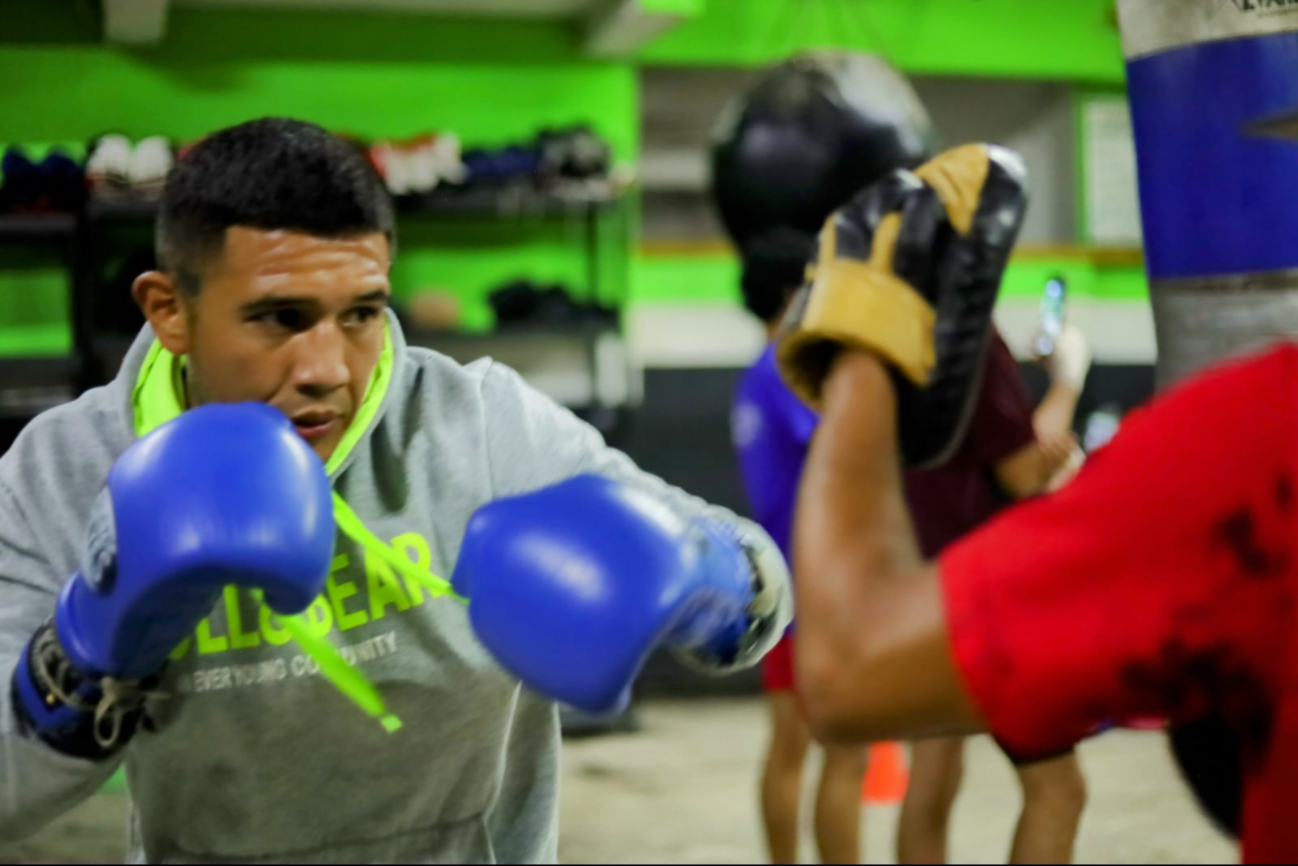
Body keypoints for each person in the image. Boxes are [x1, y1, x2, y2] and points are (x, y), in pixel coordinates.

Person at [0, 117, 792, 863]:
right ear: (170, 310)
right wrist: (87, 647)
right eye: (279, 317)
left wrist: (703, 579)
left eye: (361, 314)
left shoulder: (482, 425)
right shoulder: (68, 464)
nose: (328, 369)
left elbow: (766, 588)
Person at [776, 142, 1296, 864]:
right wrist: (1066, 384)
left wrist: (859, 352)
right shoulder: (1252, 437)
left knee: (932, 774)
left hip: (923, 578)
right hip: (978, 593)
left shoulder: (1249, 434)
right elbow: (1024, 475)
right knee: (1054, 790)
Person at [711, 52, 1086, 865]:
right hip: (866, 585)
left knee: (902, 769)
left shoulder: (811, 360)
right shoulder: (805, 368)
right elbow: (990, 467)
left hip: (840, 578)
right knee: (859, 760)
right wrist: (1063, 385)